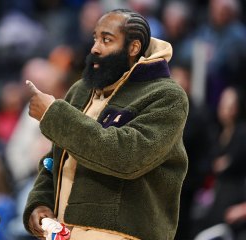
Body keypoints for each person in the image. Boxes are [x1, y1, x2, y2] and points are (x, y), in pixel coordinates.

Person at [23, 9, 189, 240]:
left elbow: (128, 156)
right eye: (95, 38)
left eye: (107, 40)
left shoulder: (166, 95)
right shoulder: (81, 90)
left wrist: (54, 115)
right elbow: (55, 159)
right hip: (63, 232)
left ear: (133, 47)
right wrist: (40, 202)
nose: (95, 48)